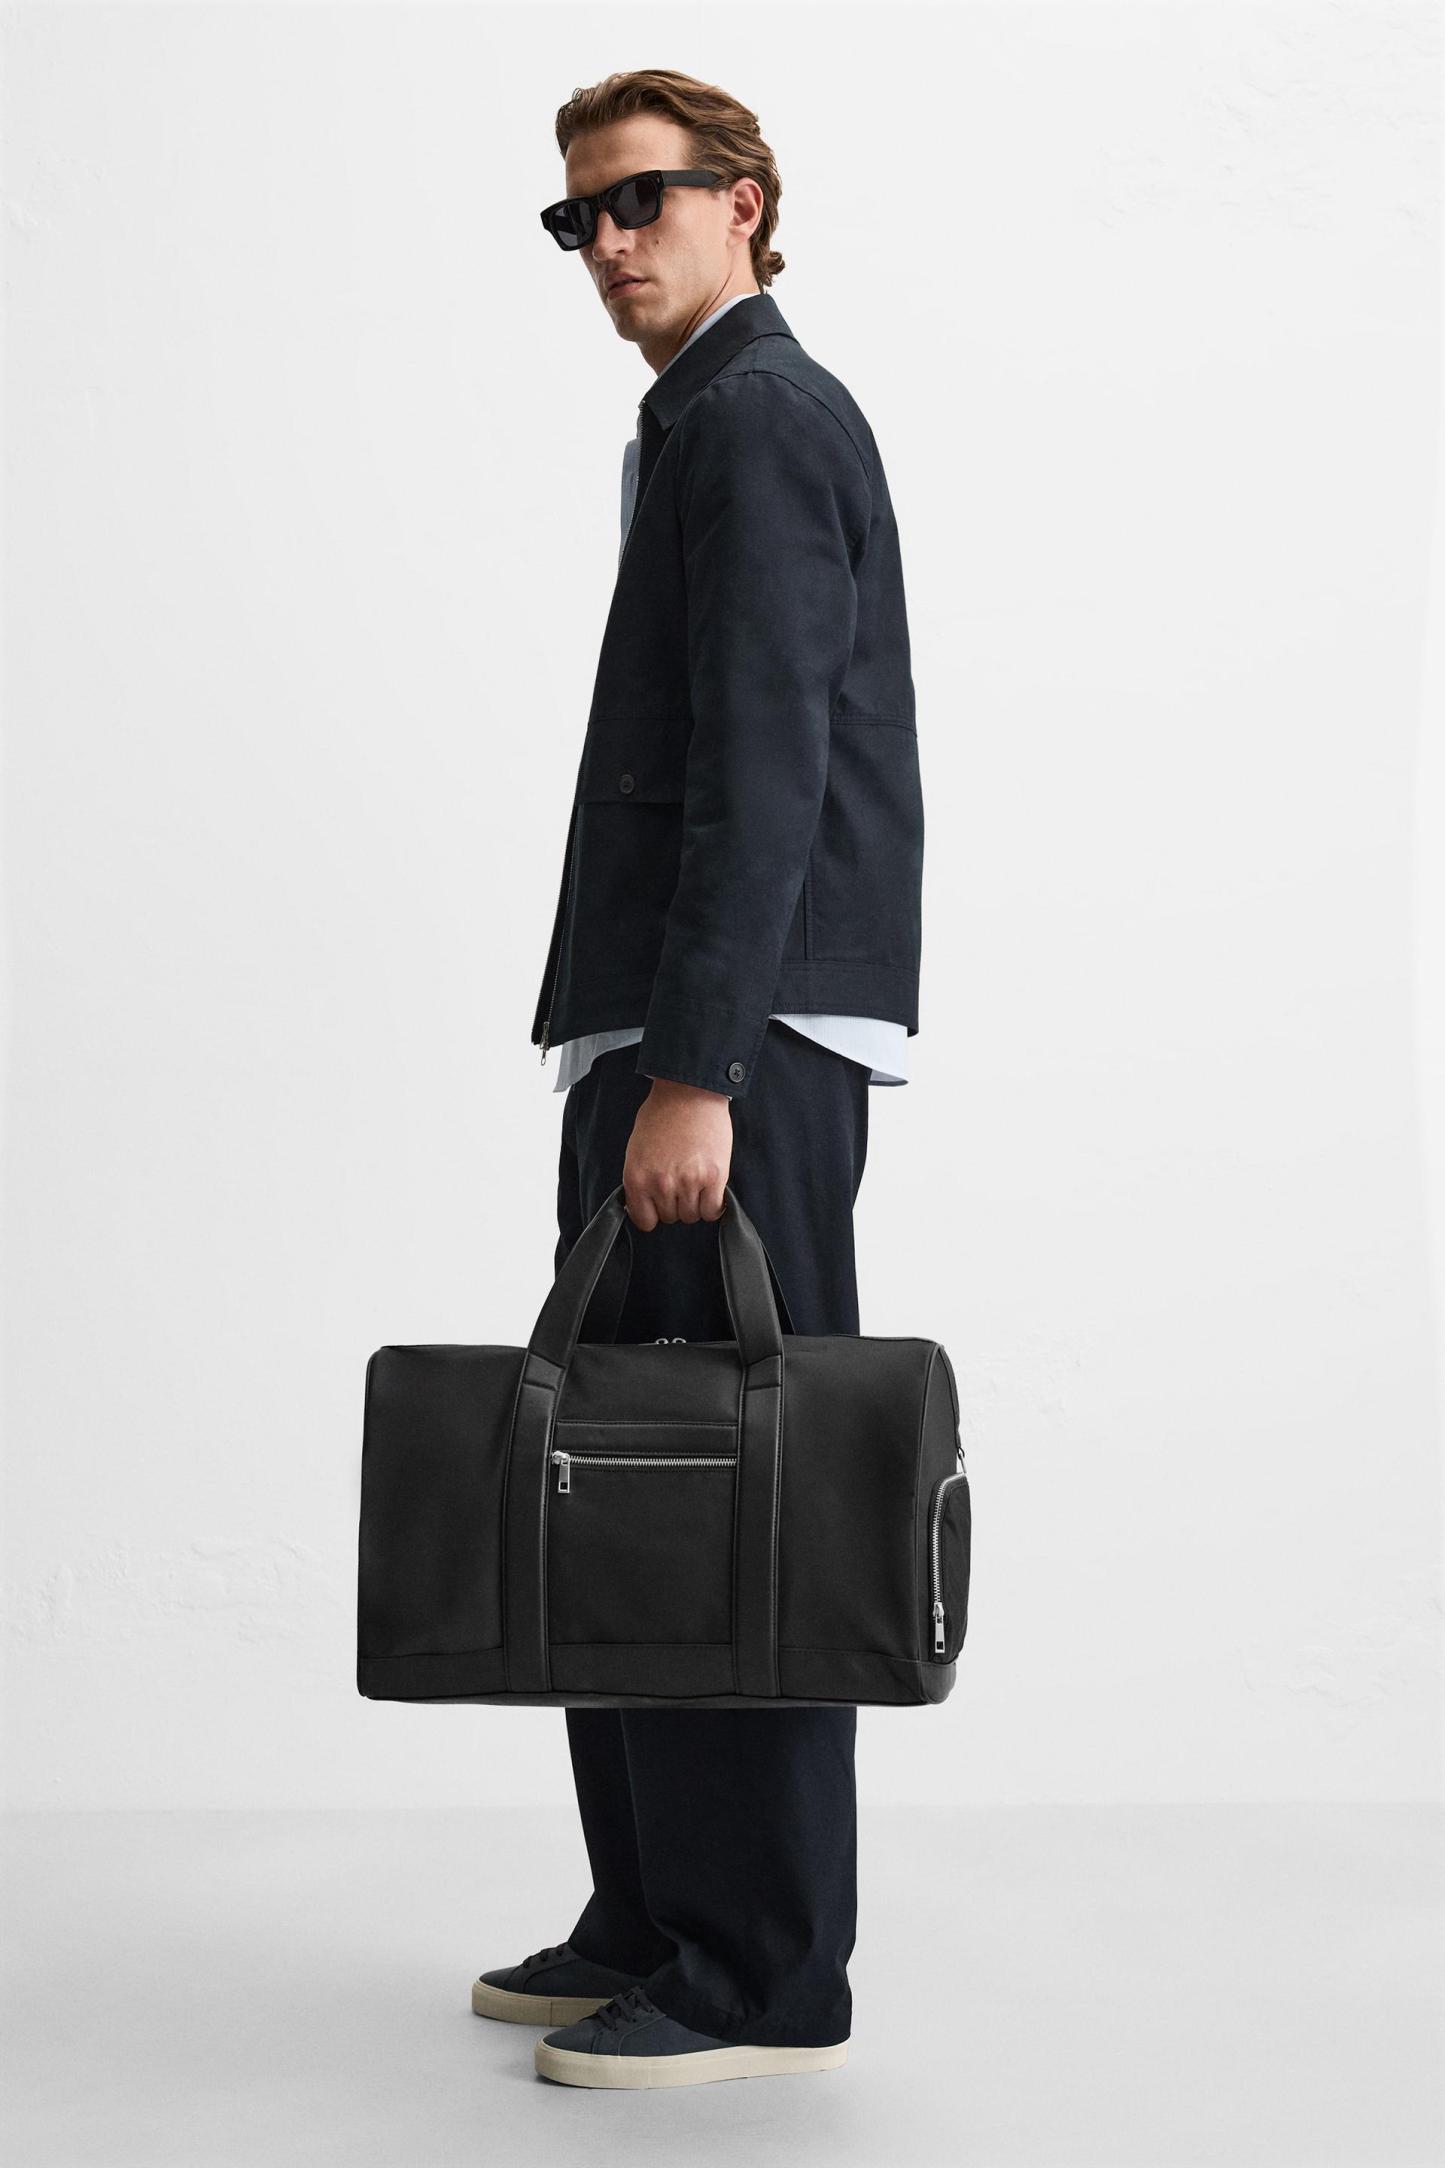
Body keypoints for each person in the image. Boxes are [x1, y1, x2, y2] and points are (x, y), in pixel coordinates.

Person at [473, 67, 924, 2090]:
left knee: (734, 1486)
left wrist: (697, 1068)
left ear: (744, 201)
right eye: (578, 217)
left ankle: (761, 1972)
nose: (609, 243)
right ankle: (656, 1907)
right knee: (624, 1474)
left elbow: (767, 762)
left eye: (642, 199)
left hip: (729, 1054)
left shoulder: (761, 417)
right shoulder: (697, 421)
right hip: (668, 1036)